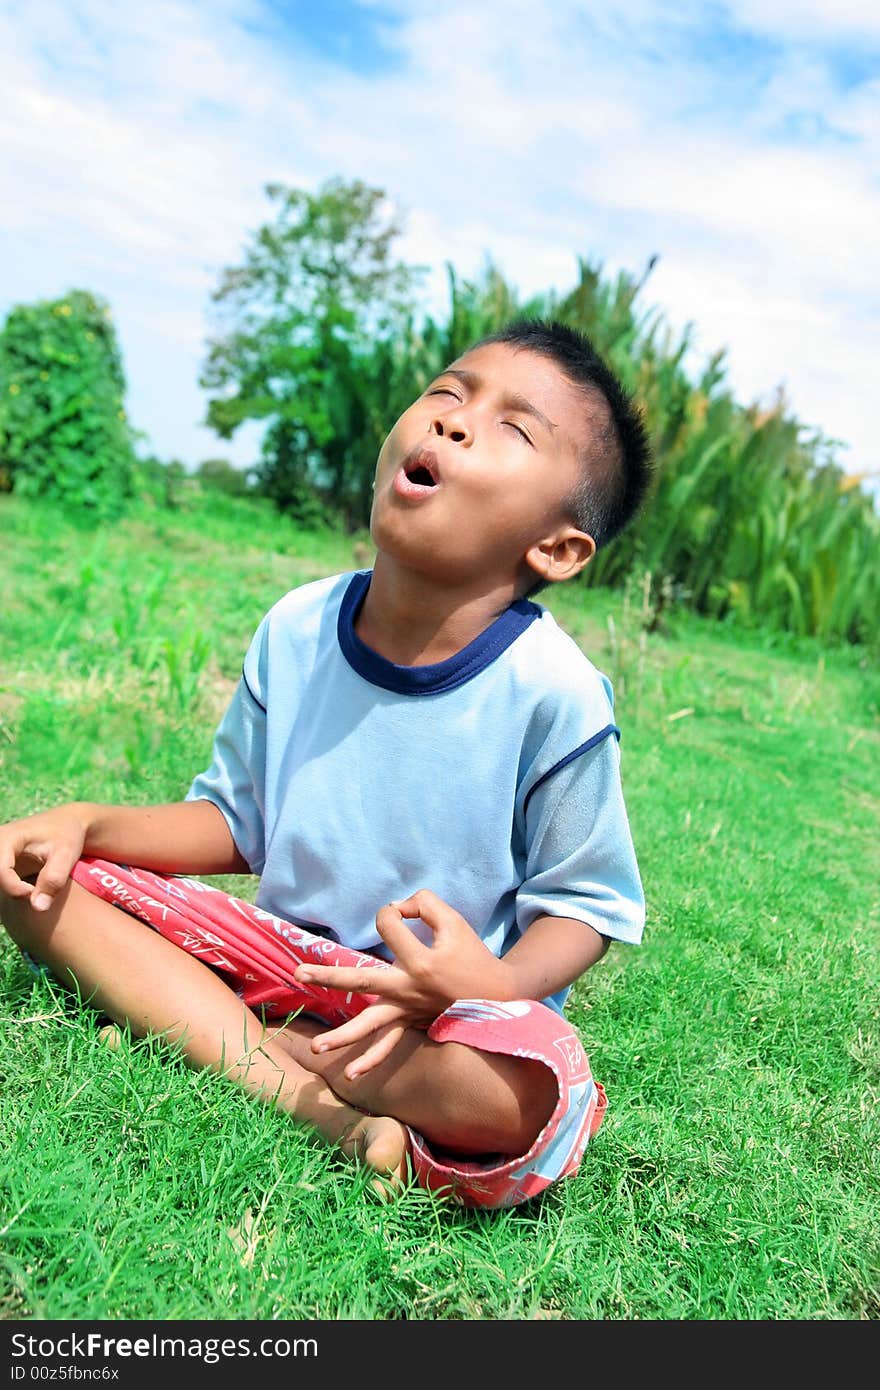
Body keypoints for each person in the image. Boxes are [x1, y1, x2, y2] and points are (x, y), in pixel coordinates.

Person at [0, 319, 652, 1209]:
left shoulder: (555, 694)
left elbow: (585, 910)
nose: (453, 422)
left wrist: (484, 982)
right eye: (447, 394)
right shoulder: (299, 626)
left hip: (431, 1020)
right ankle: (316, 1102)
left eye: (511, 428)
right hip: (276, 961)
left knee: (536, 1092)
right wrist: (88, 823)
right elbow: (237, 822)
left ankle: (218, 1036)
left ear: (558, 548)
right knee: (33, 879)